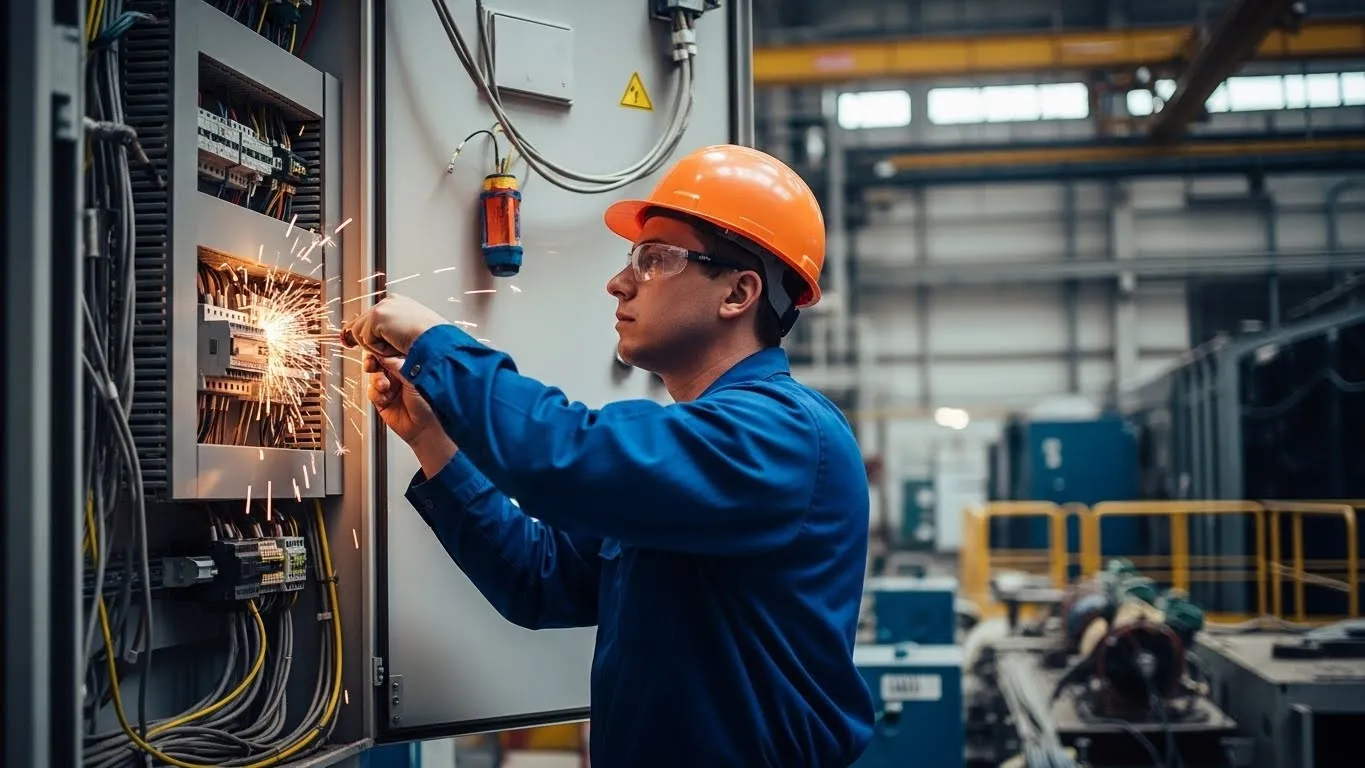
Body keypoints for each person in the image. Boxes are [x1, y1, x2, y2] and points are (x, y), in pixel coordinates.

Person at [349, 145, 876, 766]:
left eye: (657, 259)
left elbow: (568, 455)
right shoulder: (694, 459)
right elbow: (539, 580)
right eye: (634, 258)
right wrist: (431, 440)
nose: (619, 281)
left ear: (738, 292)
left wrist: (436, 344)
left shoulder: (783, 434)